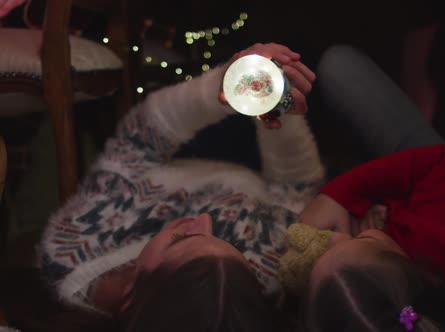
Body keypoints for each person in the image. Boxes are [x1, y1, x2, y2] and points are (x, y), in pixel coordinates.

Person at [37, 42, 322, 331]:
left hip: (181, 153)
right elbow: (296, 187)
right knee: (301, 61)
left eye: (180, 240)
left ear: (129, 298)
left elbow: (139, 139)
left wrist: (222, 86)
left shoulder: (68, 250)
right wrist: (274, 106)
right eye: (226, 241)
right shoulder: (256, 279)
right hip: (269, 166)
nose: (205, 220)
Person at [296, 45, 445, 332]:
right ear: (415, 271)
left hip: (391, 198)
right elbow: (444, 160)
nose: (335, 239)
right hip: (429, 176)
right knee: (338, 63)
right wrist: (337, 193)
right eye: (364, 240)